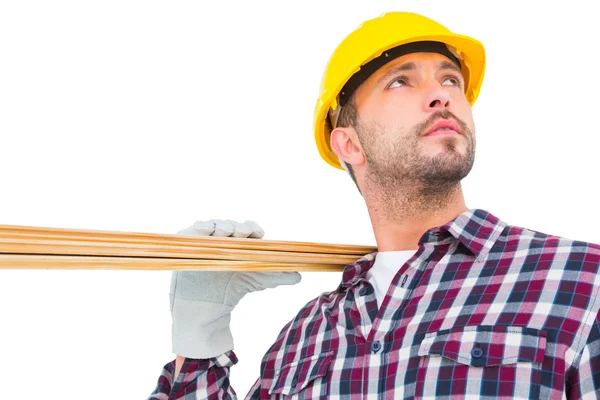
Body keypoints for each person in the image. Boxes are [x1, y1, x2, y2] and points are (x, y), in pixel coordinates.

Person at [148, 11, 600, 399]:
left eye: (450, 79)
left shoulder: (581, 280)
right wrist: (200, 340)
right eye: (401, 81)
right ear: (349, 143)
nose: (442, 94)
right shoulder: (305, 339)